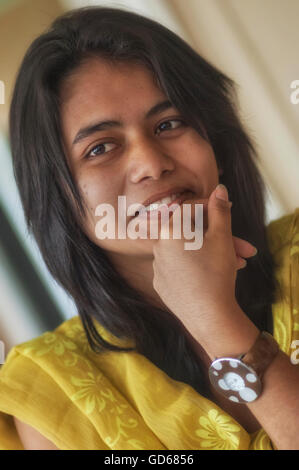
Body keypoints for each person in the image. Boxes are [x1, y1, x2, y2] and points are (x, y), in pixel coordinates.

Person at [0, 6, 298, 450]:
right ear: (56, 193)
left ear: (214, 140)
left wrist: (216, 321)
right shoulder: (53, 391)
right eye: (101, 147)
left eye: (169, 123)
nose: (152, 163)